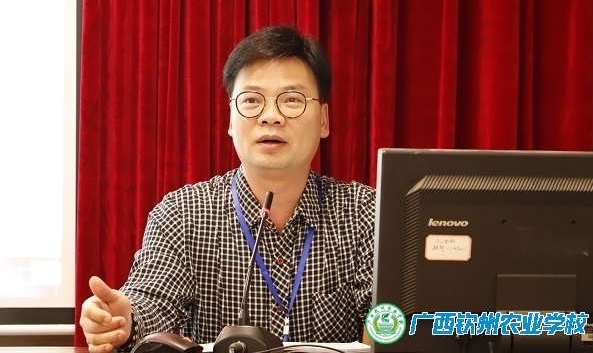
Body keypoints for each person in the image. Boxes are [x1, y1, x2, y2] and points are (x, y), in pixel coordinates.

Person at [79, 25, 375, 353]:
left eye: (292, 100)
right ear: (231, 120)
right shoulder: (182, 214)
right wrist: (124, 321)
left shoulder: (368, 213)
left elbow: (399, 315)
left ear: (323, 120)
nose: (271, 117)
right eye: (252, 101)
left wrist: (393, 326)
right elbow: (152, 300)